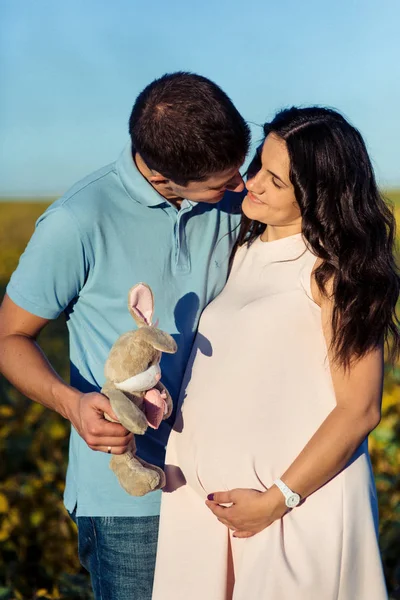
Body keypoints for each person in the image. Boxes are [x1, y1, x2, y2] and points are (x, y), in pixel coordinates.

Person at [0, 72, 250, 600]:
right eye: (222, 184)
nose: (240, 189)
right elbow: (10, 337)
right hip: (130, 501)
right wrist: (72, 404)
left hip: (228, 484)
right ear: (163, 176)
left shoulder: (236, 202)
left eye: (239, 172)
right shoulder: (76, 221)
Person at [152, 106, 399, 600]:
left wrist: (277, 500)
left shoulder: (333, 274)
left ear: (318, 196)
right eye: (258, 165)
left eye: (276, 181)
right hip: (207, 517)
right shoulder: (240, 252)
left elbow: (360, 409)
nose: (253, 184)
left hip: (295, 512)